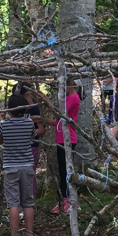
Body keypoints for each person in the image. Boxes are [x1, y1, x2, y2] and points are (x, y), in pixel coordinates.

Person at [0, 94, 39, 236]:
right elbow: (32, 137)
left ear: (9, 109)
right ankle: (29, 234)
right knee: (28, 201)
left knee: (13, 202)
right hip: (27, 166)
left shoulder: (3, 125)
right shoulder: (29, 124)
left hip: (10, 167)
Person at [51, 77, 81, 214]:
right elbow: (59, 120)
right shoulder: (69, 98)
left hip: (68, 138)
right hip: (61, 137)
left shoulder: (74, 97)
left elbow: (60, 113)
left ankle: (70, 200)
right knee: (62, 170)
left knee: (66, 170)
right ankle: (65, 199)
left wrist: (46, 100)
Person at [17, 83, 46, 195]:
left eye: (29, 96)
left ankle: (30, 205)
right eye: (26, 96)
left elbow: (41, 130)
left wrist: (26, 135)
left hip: (31, 147)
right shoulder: (16, 109)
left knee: (29, 177)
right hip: (18, 149)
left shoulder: (34, 109)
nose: (28, 99)